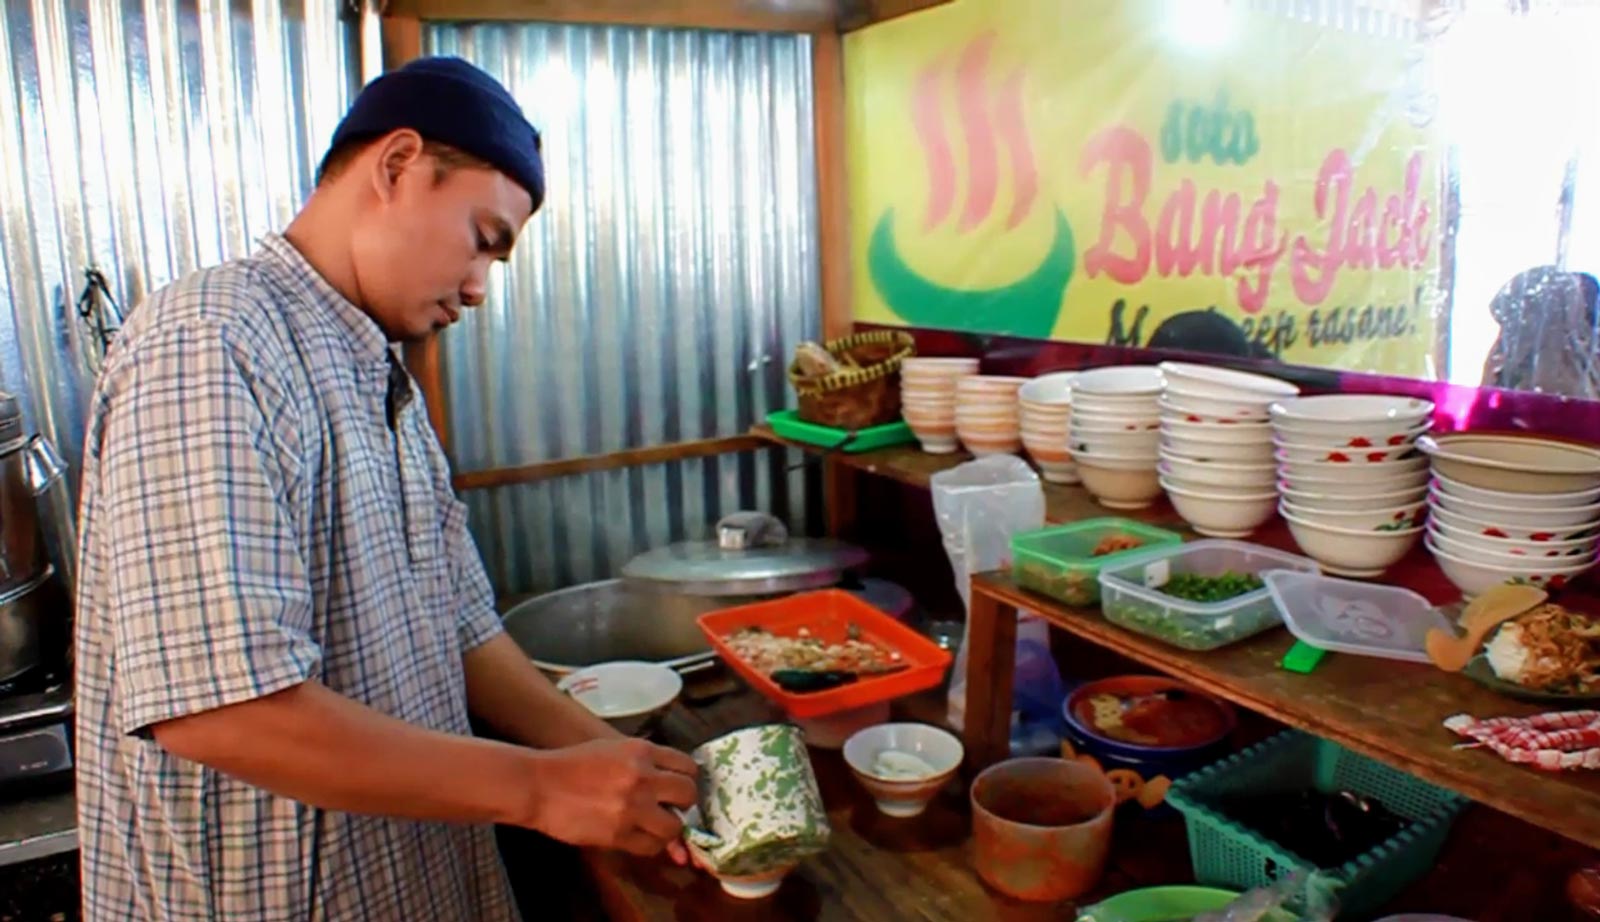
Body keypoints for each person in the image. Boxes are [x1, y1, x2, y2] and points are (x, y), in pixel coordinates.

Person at [73, 57, 699, 922]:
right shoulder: (213, 340)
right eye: (483, 238)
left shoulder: (381, 375)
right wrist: (540, 791)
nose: (482, 287)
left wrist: (616, 766)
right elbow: (221, 712)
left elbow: (466, 630)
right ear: (397, 164)